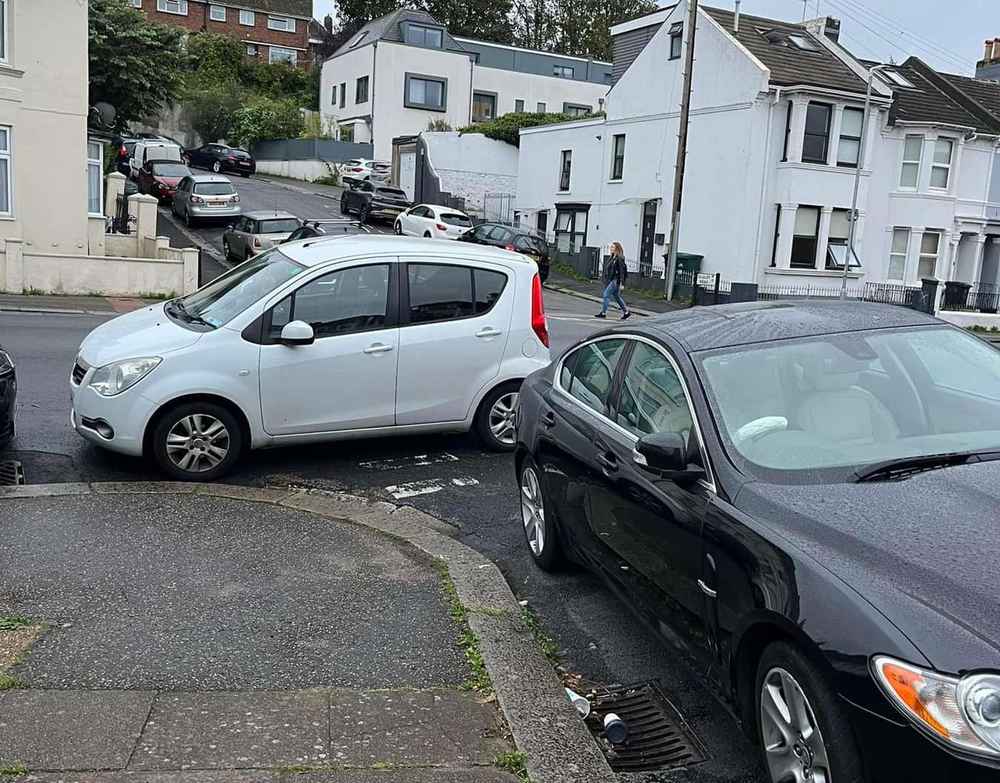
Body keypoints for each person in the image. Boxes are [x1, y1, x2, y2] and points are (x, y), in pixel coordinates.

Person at [596, 242, 631, 320]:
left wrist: (622, 283)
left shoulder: (619, 258)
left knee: (606, 295)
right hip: (612, 279)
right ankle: (626, 312)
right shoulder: (612, 258)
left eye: (612, 247)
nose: (610, 248)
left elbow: (622, 271)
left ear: (617, 249)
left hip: (616, 280)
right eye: (611, 247)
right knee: (617, 297)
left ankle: (603, 313)